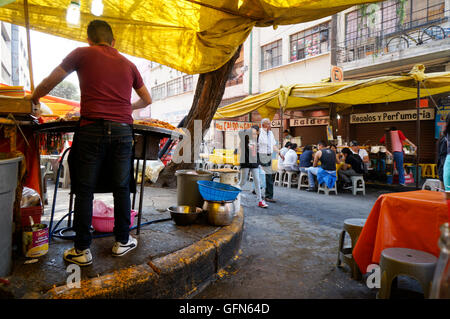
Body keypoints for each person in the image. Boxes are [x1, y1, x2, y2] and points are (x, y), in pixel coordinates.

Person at [29, 20, 152, 266]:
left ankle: (82, 250)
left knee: (83, 189)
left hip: (91, 129)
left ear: (89, 39)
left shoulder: (81, 54)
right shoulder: (128, 64)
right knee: (121, 187)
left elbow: (49, 82)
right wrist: (125, 107)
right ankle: (122, 241)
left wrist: (33, 98)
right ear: (113, 41)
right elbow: (146, 99)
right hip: (123, 131)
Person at [238, 127, 268, 208]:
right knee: (242, 182)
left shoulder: (256, 141)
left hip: (254, 164)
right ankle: (234, 196)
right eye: (254, 133)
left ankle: (260, 200)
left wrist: (259, 163)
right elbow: (240, 132)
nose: (256, 135)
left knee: (257, 181)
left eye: (256, 133)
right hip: (246, 163)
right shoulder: (244, 139)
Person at [258, 118, 280, 203]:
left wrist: (279, 152)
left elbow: (273, 145)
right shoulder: (259, 133)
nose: (270, 126)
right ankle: (268, 196)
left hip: (269, 156)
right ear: (263, 125)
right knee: (268, 176)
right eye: (268, 124)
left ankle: (259, 190)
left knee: (265, 175)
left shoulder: (270, 133)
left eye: (270, 124)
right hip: (261, 155)